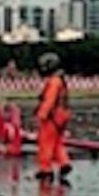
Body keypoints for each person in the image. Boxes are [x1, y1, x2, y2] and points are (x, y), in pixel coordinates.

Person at [35, 53, 71, 182]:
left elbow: (49, 100)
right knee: (57, 142)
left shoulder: (53, 82)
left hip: (52, 116)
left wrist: (41, 115)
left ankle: (45, 169)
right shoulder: (60, 80)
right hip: (61, 115)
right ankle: (64, 163)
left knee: (45, 143)